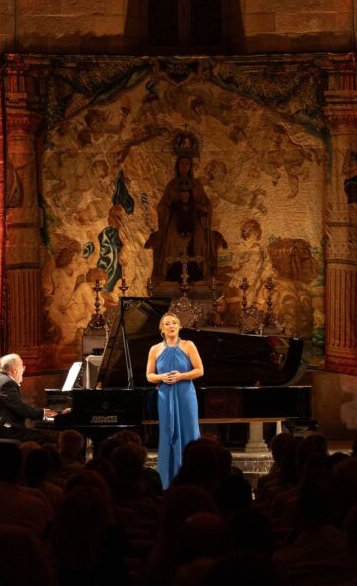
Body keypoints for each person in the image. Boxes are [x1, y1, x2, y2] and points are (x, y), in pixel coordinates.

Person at [146, 312, 203, 489]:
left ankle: (194, 478)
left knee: (189, 431)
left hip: (185, 394)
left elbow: (199, 370)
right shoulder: (155, 349)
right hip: (165, 396)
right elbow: (149, 375)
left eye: (174, 323)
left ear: (179, 326)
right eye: (167, 323)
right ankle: (168, 481)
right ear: (162, 329)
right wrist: (161, 377)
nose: (171, 326)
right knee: (167, 433)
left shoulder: (188, 345)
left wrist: (181, 376)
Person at [147, 154, 223, 283]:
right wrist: (168, 208)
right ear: (177, 166)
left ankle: (200, 271)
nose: (184, 166)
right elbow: (162, 205)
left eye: (187, 163)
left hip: (193, 219)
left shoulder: (197, 184)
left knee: (200, 238)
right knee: (172, 237)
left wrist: (200, 207)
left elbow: (207, 204)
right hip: (176, 218)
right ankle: (171, 271)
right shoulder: (171, 185)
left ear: (191, 166)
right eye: (182, 163)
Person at [0, 353, 57, 442]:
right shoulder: (6, 383)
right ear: (14, 369)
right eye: (22, 366)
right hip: (1, 430)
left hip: (0, 428)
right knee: (43, 438)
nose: (23, 369)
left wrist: (41, 413)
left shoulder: (1, 379)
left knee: (39, 436)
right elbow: (20, 408)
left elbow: (18, 407)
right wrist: (44, 413)